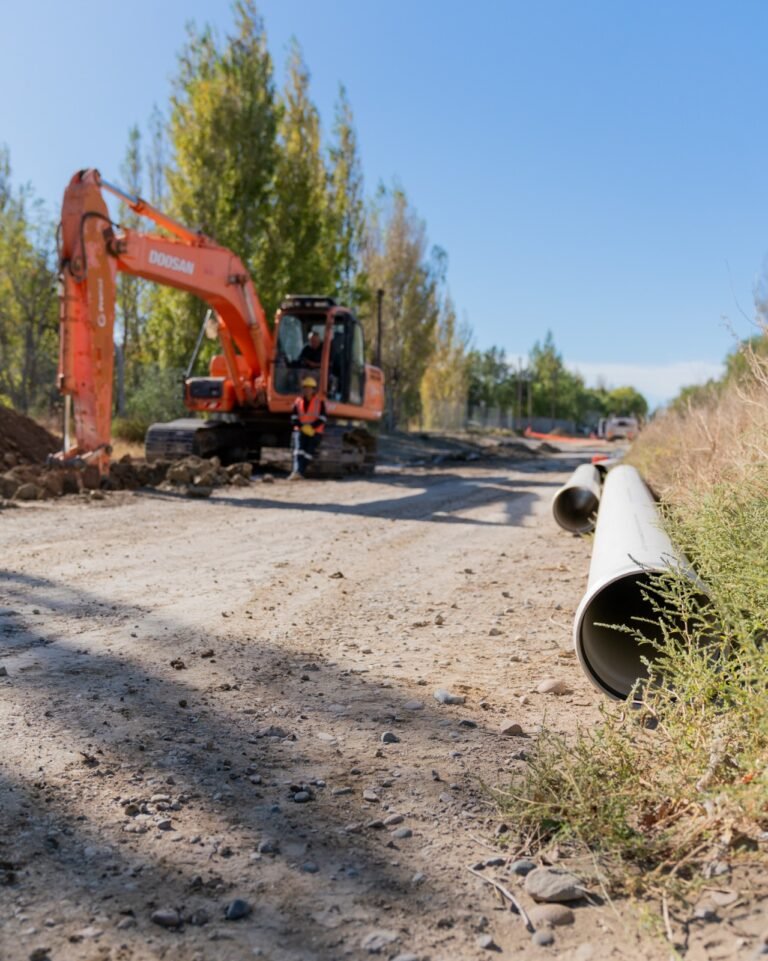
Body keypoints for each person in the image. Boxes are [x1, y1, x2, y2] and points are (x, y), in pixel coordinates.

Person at [288, 376, 327, 480]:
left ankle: (300, 472)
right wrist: (302, 427)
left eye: (309, 388)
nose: (307, 390)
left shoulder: (319, 402)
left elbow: (323, 418)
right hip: (300, 431)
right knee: (298, 451)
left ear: (313, 390)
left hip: (315, 432)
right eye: (305, 388)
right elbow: (294, 417)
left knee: (308, 453)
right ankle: (297, 472)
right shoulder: (298, 402)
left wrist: (311, 427)